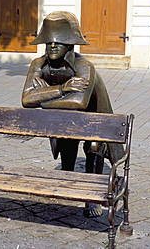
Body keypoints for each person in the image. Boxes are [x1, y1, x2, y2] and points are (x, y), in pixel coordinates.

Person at [21, 11, 123, 218]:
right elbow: (25, 99)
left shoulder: (83, 66)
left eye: (59, 42)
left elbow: (78, 102)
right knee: (66, 140)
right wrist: (62, 89)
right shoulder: (38, 64)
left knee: (94, 147)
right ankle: (67, 183)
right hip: (66, 118)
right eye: (48, 42)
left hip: (96, 117)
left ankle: (92, 196)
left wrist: (41, 97)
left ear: (71, 45)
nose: (52, 46)